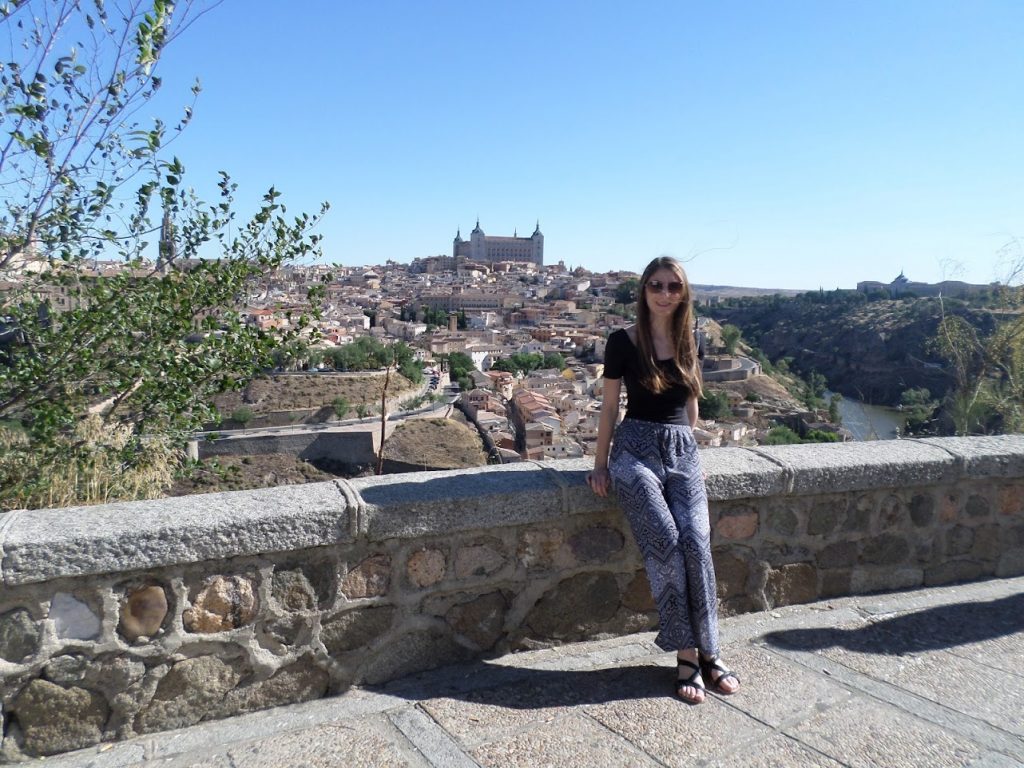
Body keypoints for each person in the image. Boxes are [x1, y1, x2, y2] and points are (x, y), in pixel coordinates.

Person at [586, 256, 739, 704]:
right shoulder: (623, 342)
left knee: (696, 540)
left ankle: (711, 649)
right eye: (656, 284)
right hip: (634, 449)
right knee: (666, 541)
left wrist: (691, 455)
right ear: (644, 291)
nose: (665, 293)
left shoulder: (691, 339)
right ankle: (687, 654)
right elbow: (611, 408)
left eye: (674, 286)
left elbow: (691, 403)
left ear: (683, 293)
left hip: (681, 449)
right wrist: (600, 464)